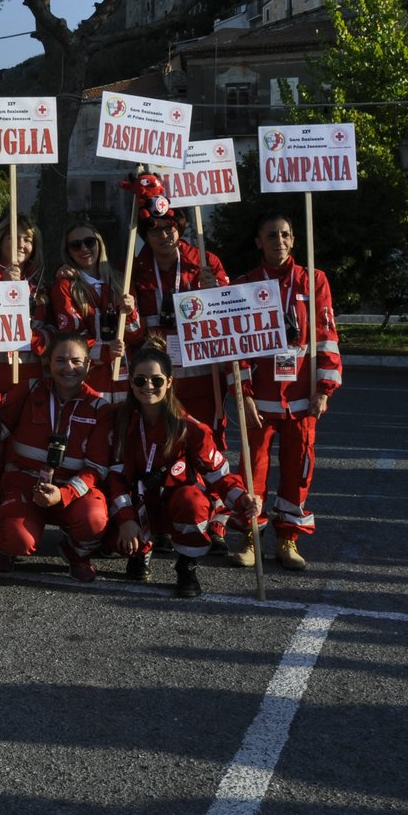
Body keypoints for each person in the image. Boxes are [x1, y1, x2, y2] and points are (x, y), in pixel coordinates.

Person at [230, 212, 341, 571]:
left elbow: (326, 336)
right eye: (271, 235)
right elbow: (238, 346)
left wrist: (324, 389)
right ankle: (251, 536)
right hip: (259, 400)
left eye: (285, 235)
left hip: (301, 399)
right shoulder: (245, 283)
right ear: (258, 242)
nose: (279, 240)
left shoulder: (314, 281)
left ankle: (288, 538)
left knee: (298, 471)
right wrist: (244, 395)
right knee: (253, 471)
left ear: (294, 240)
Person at [106, 343, 260, 597]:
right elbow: (115, 477)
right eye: (140, 380)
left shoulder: (190, 428)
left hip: (173, 503)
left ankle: (187, 564)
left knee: (193, 500)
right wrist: (125, 520)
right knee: (108, 529)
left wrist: (243, 499)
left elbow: (218, 475)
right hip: (138, 502)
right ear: (131, 383)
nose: (148, 386)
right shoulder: (120, 421)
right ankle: (140, 551)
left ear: (169, 381)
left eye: (156, 380)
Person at [129, 203, 232, 553]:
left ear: (181, 228)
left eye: (171, 226)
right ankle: (160, 522)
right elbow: (129, 331)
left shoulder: (205, 261)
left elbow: (227, 313)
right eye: (156, 228)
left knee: (208, 446)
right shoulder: (135, 265)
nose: (165, 234)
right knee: (159, 448)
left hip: (202, 374)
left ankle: (214, 522)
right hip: (158, 377)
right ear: (146, 234)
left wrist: (213, 289)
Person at [0, 332, 114, 582]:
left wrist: (63, 494)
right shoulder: (30, 388)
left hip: (70, 492)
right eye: (60, 360)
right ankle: (4, 547)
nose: (69, 367)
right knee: (18, 540)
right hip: (25, 484)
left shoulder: (100, 408)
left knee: (94, 517)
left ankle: (76, 552)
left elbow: (96, 469)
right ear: (48, 362)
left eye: (76, 361)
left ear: (88, 365)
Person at [51, 220, 135, 404]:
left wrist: (130, 314)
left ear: (99, 243)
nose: (84, 248)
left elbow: (137, 334)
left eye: (89, 242)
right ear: (68, 251)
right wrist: (105, 351)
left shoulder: (121, 281)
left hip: (124, 374)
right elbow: (71, 336)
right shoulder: (65, 286)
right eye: (75, 245)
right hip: (91, 377)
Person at [0, 217, 52, 400]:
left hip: (31, 380)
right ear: (0, 241)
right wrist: (1, 289)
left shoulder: (41, 285)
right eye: (13, 237)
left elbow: (55, 331)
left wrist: (33, 338)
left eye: (27, 240)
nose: (21, 245)